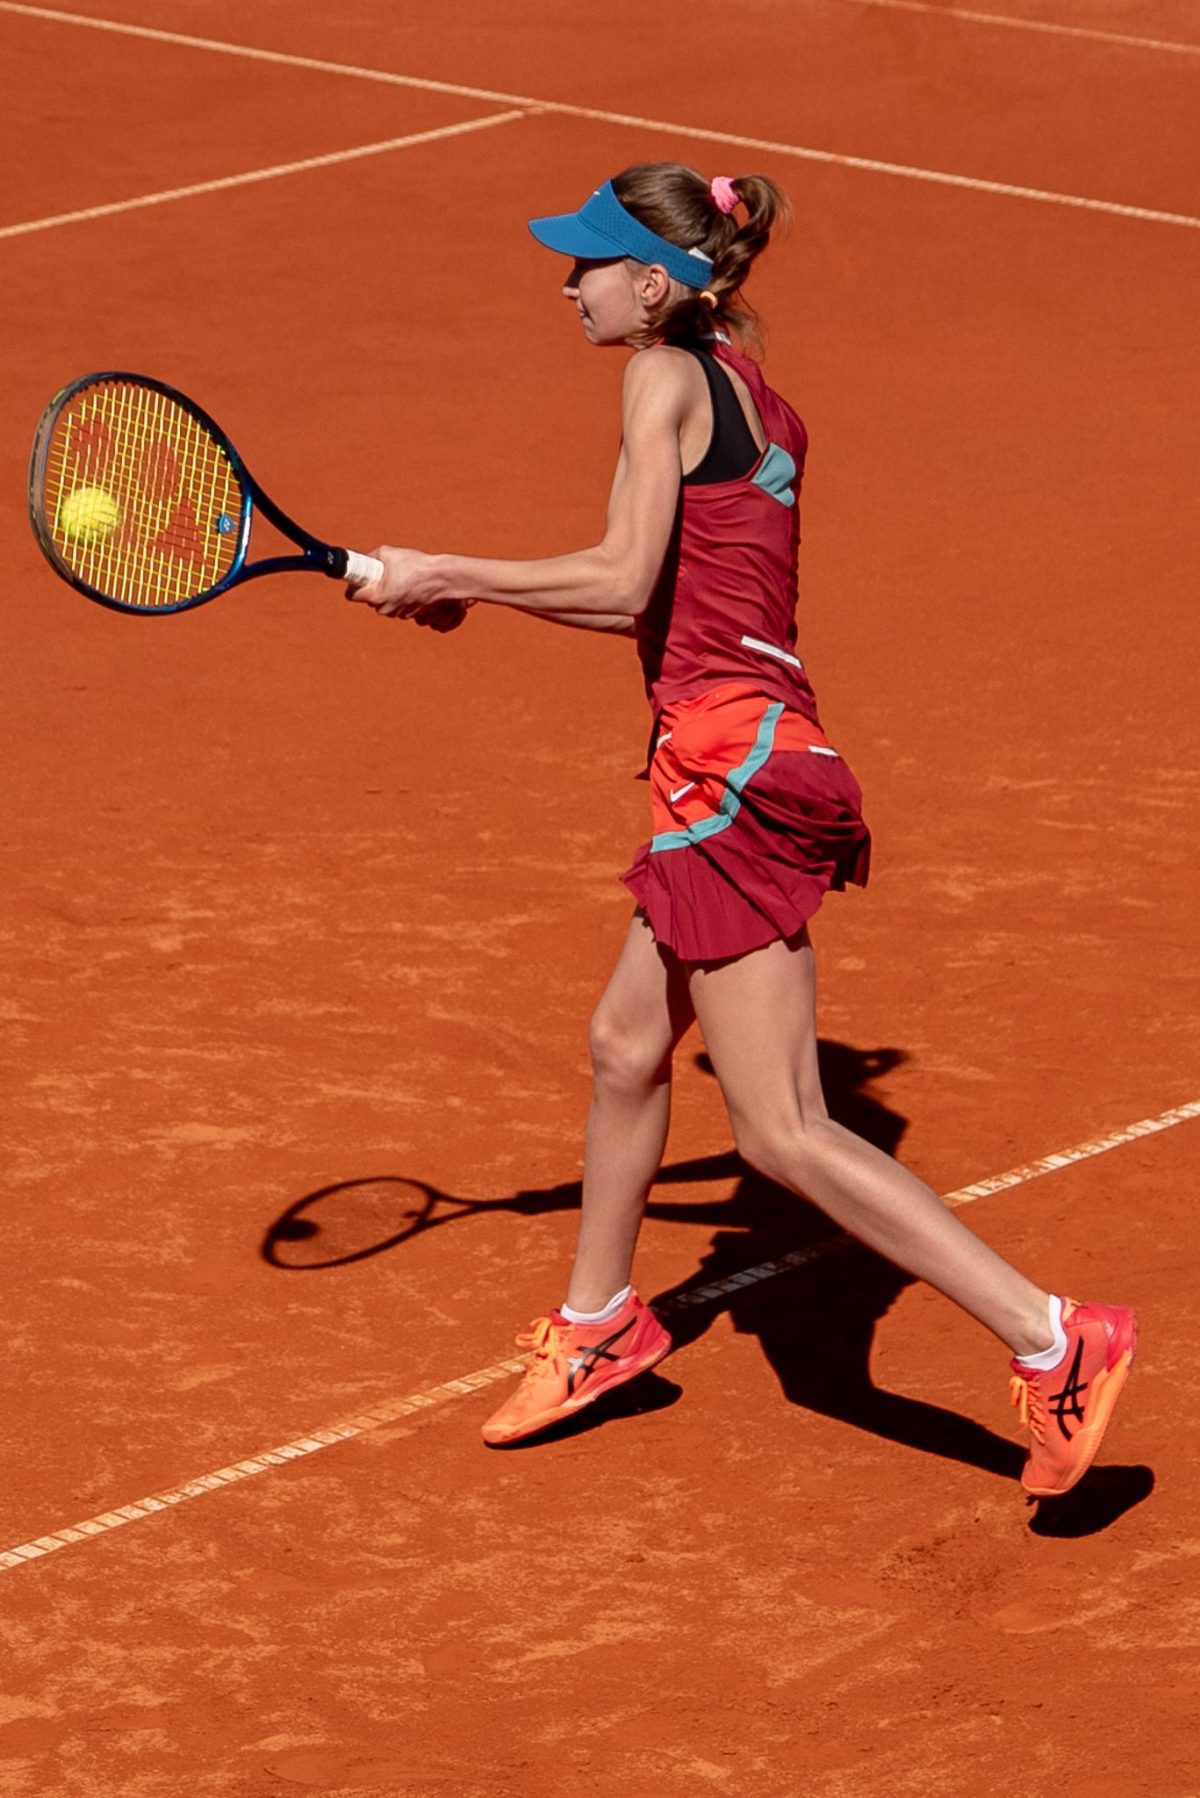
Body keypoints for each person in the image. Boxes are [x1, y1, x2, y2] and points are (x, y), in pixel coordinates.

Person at [346, 164, 1137, 1498]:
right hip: (744, 747)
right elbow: (664, 593)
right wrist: (483, 598)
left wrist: (448, 570)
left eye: (586, 264)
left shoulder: (656, 376)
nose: (568, 285)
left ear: (653, 283)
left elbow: (620, 581)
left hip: (731, 766)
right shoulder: (755, 393)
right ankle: (601, 1321)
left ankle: (1052, 1335)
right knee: (626, 1042)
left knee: (780, 1128)